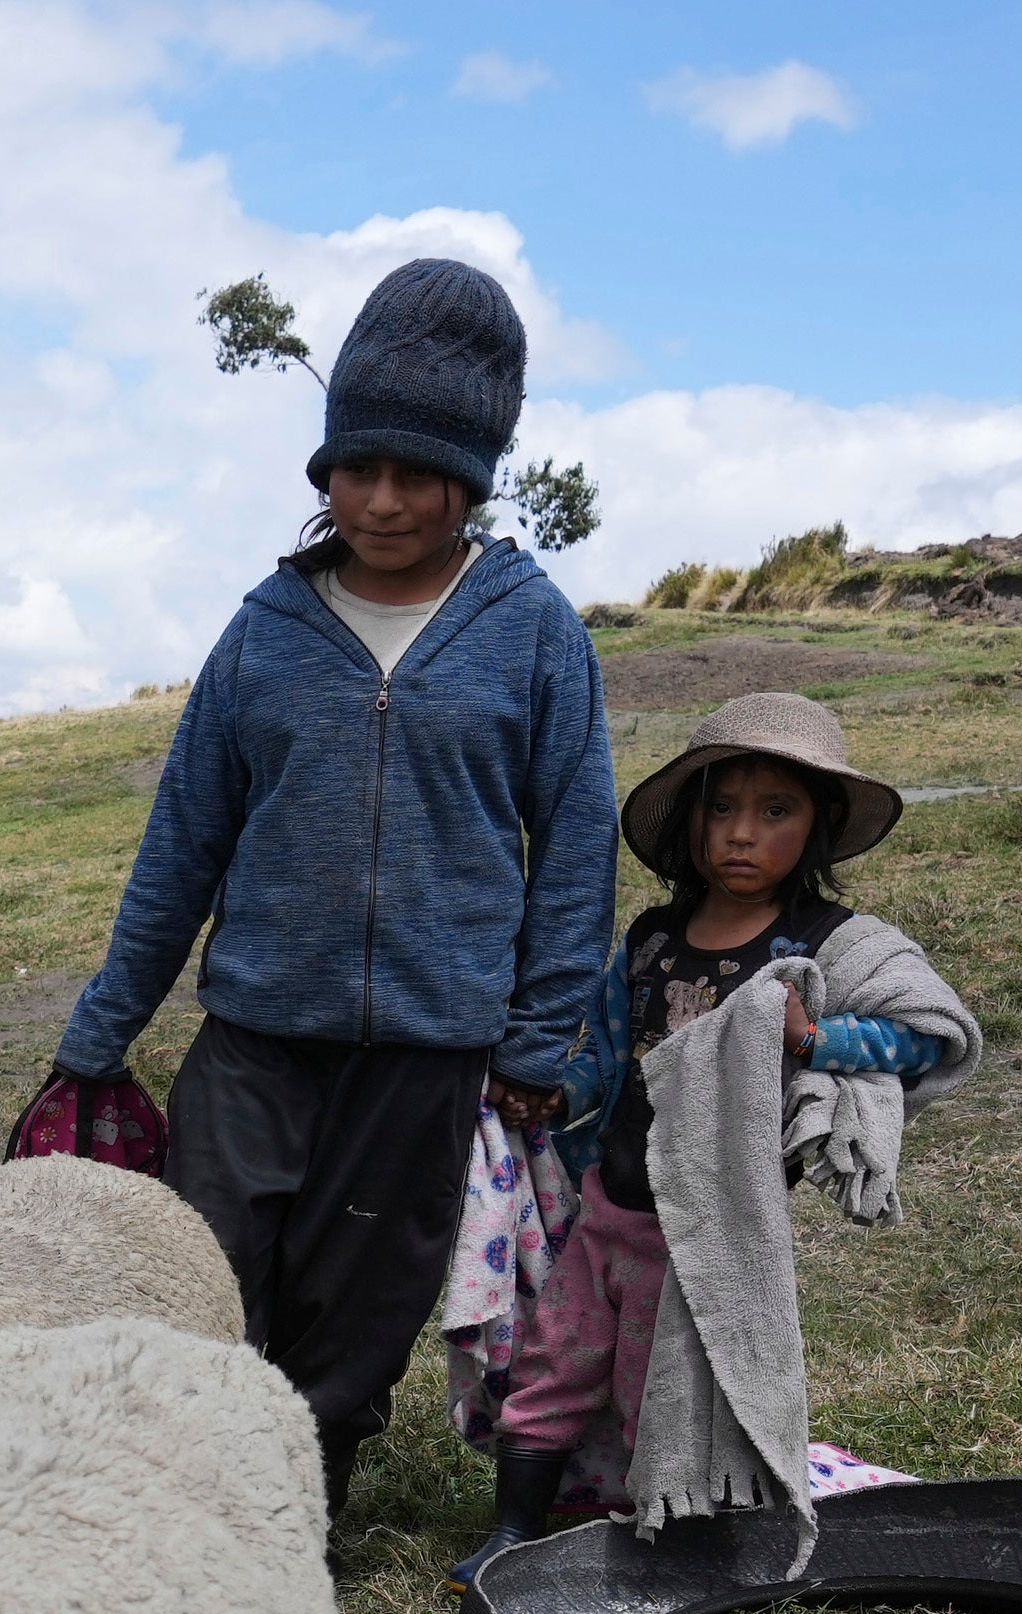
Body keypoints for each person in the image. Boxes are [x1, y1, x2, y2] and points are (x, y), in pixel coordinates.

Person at [47, 258, 615, 1527]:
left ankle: (304, 1513)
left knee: (361, 1293)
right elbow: (180, 842)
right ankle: (184, 1505)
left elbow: (575, 848)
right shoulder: (264, 630)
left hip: (427, 1047)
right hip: (254, 1035)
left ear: (471, 477)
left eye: (414, 474)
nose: (379, 500)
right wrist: (101, 1030)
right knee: (201, 1272)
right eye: (354, 468)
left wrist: (535, 1037)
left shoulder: (530, 632)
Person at [454, 692, 974, 1585]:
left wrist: (814, 1041)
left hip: (702, 1226)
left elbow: (925, 1031)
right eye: (720, 808)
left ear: (817, 827)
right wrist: (553, 1096)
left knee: (654, 1386)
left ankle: (669, 1539)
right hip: (609, 1203)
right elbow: (612, 1056)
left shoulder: (826, 945)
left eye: (775, 812)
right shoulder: (653, 938)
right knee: (550, 1360)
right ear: (689, 823)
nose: (742, 834)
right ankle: (512, 1529)